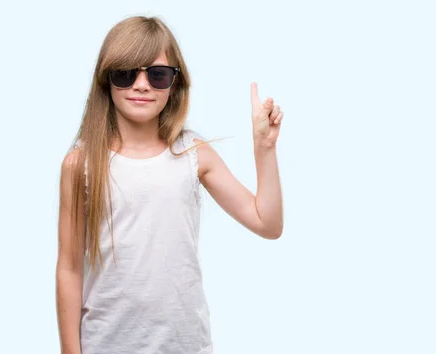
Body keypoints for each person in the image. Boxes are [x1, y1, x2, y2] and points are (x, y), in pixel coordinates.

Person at [55, 15, 284, 354]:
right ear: (106, 81)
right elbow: (69, 269)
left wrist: (264, 149)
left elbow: (267, 224)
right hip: (105, 344)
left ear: (175, 83)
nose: (142, 85)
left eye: (158, 74)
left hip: (184, 344)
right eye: (126, 73)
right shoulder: (81, 164)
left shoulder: (192, 154)